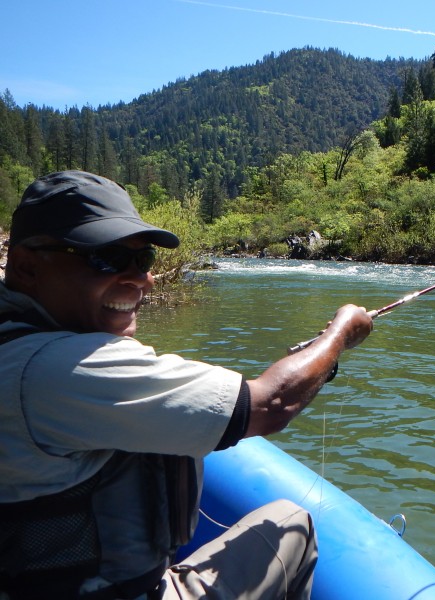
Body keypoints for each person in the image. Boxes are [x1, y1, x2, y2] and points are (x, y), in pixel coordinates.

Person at [0, 170, 374, 600]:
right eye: (107, 257)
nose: (142, 278)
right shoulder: (58, 369)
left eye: (143, 260)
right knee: (294, 524)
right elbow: (270, 404)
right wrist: (340, 335)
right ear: (27, 266)